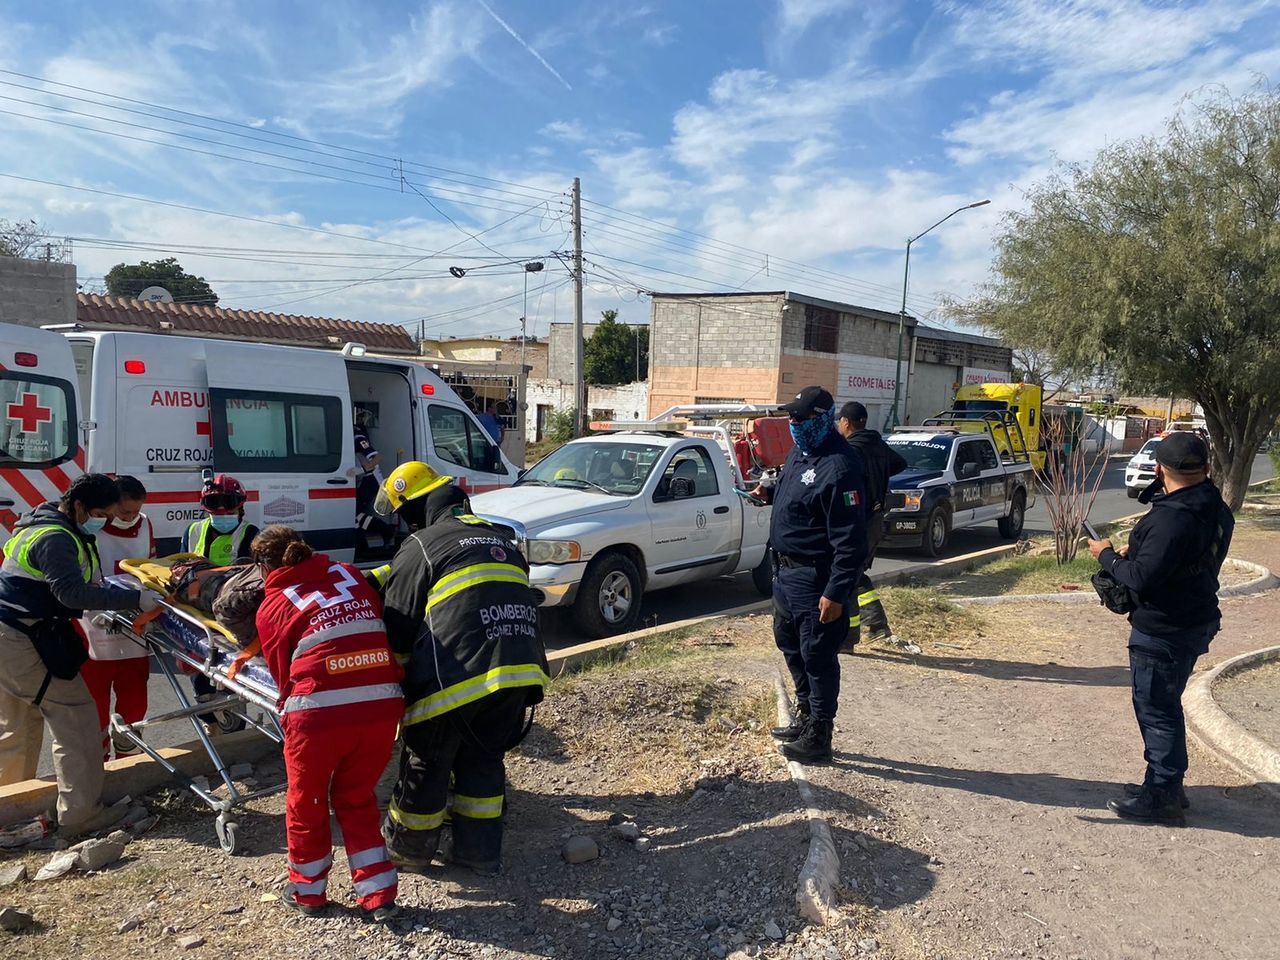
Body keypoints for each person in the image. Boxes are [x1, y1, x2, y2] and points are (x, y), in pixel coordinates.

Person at [371, 462, 548, 874]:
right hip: (520, 672)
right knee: (483, 759)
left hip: (457, 674)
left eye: (403, 515)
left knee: (427, 761)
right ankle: (479, 854)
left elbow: (399, 623)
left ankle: (408, 850)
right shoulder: (500, 539)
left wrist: (396, 682)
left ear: (415, 510)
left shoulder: (423, 545)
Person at [252, 525, 403, 921]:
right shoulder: (349, 574)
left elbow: (280, 672)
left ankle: (307, 891)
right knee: (356, 797)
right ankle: (379, 894)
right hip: (381, 705)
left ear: (264, 566)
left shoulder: (274, 603)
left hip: (318, 714)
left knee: (308, 802)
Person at [0, 474, 161, 837]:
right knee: (79, 720)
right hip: (25, 636)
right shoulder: (57, 537)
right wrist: (133, 600)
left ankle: (10, 811)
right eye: (100, 514)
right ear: (78, 506)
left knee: (18, 726)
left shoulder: (37, 521)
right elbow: (71, 593)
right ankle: (80, 815)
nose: (103, 521)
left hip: (9, 631)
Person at [1087, 432, 1234, 826]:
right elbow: (1178, 559)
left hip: (1164, 629)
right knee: (1164, 705)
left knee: (1157, 711)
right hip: (1194, 618)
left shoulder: (1172, 516)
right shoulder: (1214, 507)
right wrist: (1137, 552)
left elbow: (1142, 580)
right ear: (1205, 468)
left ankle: (1163, 795)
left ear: (1159, 470)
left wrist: (1106, 557)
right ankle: (1167, 784)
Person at [764, 387, 868, 764]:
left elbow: (851, 542)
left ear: (824, 419)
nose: (794, 424)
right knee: (789, 642)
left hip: (815, 578)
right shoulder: (801, 452)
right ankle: (806, 716)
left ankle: (820, 734)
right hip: (786, 573)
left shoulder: (839, 466)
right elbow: (794, 488)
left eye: (801, 419)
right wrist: (769, 491)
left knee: (818, 654)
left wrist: (836, 593)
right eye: (791, 418)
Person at [79, 475, 157, 760]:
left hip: (133, 623)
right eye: (125, 512)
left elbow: (150, 565)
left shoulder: (145, 524)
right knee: (94, 698)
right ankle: (95, 761)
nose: (130, 517)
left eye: (136, 511)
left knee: (135, 695)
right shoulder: (89, 527)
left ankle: (129, 756)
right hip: (92, 623)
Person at [835, 402, 916, 654]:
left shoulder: (849, 450)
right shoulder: (877, 445)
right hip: (875, 519)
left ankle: (848, 640)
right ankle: (877, 625)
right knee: (856, 574)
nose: (839, 426)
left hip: (858, 520)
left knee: (846, 577)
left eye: (840, 422)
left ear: (846, 422)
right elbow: (900, 463)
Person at [181, 473, 259, 726]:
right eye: (216, 506)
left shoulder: (251, 533)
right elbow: (182, 567)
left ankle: (231, 707)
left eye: (228, 505)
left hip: (234, 607)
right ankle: (206, 704)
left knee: (234, 663)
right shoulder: (193, 531)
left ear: (241, 506)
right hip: (197, 606)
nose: (223, 512)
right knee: (197, 658)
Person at [353, 408, 395, 552]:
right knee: (356, 514)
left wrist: (362, 470)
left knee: (355, 513)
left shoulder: (358, 437)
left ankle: (382, 533)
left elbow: (378, 458)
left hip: (371, 479)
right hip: (363, 479)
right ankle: (362, 544)